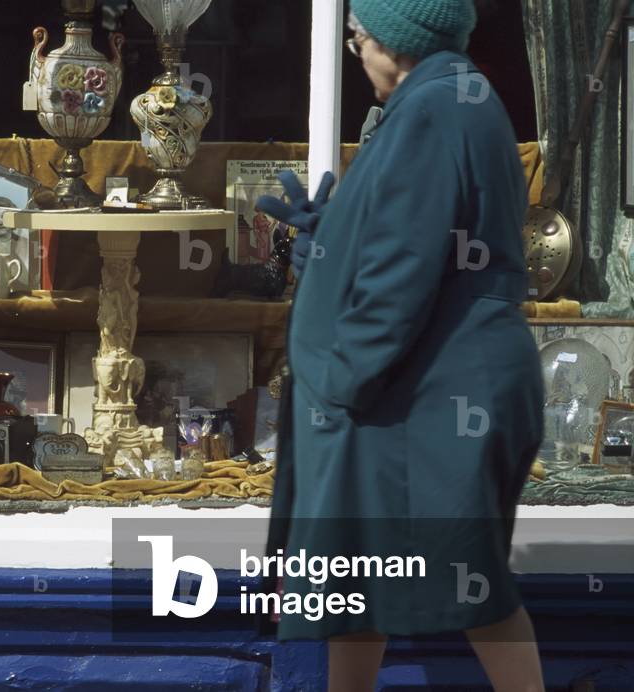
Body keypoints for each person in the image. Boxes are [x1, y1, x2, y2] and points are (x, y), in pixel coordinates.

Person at [257, 2, 546, 691]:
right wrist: (330, 239)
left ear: (396, 40)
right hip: (422, 384)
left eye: (358, 37)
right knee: (358, 571)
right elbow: (410, 231)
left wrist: (338, 378)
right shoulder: (448, 99)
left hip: (429, 389)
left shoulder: (434, 110)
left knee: (469, 579)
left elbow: (402, 269)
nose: (356, 51)